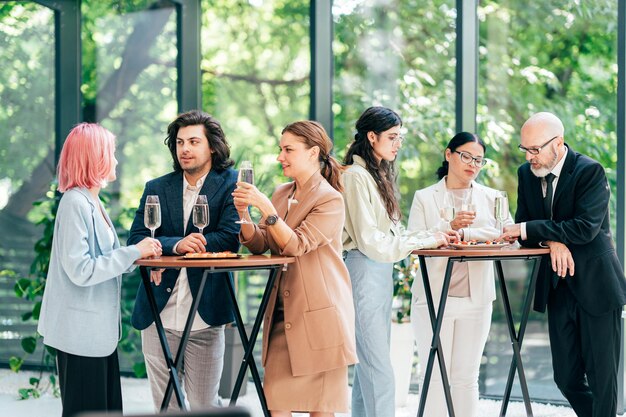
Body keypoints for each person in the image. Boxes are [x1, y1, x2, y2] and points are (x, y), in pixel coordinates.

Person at [502, 111, 626, 417]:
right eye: (525, 149)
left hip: (597, 286)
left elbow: (585, 228)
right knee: (566, 378)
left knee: (602, 380)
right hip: (558, 287)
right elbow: (525, 228)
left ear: (558, 143)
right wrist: (552, 241)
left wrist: (535, 230)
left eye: (535, 149)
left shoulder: (589, 171)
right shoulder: (525, 173)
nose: (529, 157)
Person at [232, 120, 357, 416]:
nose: (280, 157)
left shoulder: (330, 199)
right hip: (281, 314)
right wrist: (244, 214)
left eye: (288, 149)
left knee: (321, 409)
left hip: (320, 318)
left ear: (313, 152)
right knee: (275, 404)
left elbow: (296, 245)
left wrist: (268, 210)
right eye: (280, 149)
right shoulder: (281, 192)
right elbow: (261, 243)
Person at [37, 123, 162, 417]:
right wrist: (134, 251)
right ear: (94, 157)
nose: (116, 160)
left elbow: (104, 259)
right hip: (79, 335)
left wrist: (142, 258)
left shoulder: (93, 201)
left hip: (96, 334)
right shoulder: (74, 203)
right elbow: (81, 269)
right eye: (111, 153)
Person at [342, 106, 456, 417]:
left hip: (377, 271)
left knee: (370, 366)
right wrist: (426, 239)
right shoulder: (354, 176)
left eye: (399, 137)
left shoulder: (376, 174)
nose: (397, 144)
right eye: (392, 137)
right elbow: (372, 241)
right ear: (371, 136)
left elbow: (390, 234)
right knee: (378, 366)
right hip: (364, 268)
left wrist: (432, 234)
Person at [128, 110, 240, 411]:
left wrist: (180, 249)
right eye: (179, 143)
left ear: (212, 147)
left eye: (193, 141)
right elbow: (137, 238)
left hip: (206, 313)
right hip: (158, 314)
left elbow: (231, 236)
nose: (185, 149)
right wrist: (176, 245)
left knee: (205, 405)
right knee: (167, 407)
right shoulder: (157, 187)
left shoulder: (232, 183)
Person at [407, 132, 512, 417]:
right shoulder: (425, 197)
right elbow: (414, 239)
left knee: (466, 376)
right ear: (449, 154)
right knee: (434, 374)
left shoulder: (492, 197)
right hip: (432, 297)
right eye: (466, 156)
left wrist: (465, 232)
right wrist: (447, 225)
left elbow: (507, 233)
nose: (472, 164)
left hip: (476, 299)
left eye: (479, 160)